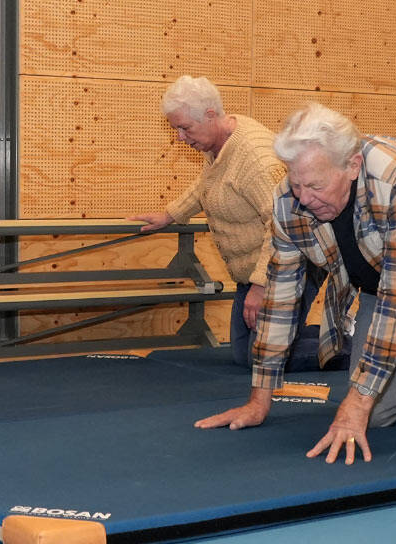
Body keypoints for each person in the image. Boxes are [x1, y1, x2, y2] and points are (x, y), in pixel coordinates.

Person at [195, 102, 396, 461]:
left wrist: (357, 401)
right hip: (383, 275)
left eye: (316, 185)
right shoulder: (288, 203)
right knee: (379, 412)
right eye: (296, 184)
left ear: (353, 165)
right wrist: (259, 400)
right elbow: (281, 299)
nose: (304, 198)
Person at [130, 76, 347, 371]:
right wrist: (171, 214)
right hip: (255, 267)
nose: (180, 137)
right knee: (242, 353)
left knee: (262, 356)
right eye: (175, 129)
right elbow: (207, 183)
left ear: (209, 115)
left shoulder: (256, 160)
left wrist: (261, 286)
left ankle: (357, 345)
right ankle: (321, 334)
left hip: (291, 262)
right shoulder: (219, 142)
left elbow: (283, 224)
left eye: (185, 128)